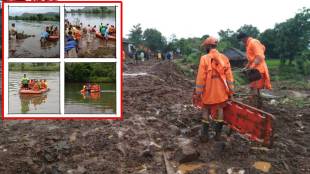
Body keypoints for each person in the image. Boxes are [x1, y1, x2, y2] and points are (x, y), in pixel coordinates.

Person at [195, 36, 234, 142]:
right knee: (220, 109)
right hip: (221, 92)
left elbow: (200, 77)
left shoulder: (204, 58)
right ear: (215, 46)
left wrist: (198, 92)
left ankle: (205, 135)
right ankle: (218, 134)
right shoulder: (224, 58)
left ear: (208, 46)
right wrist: (231, 91)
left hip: (208, 92)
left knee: (206, 109)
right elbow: (229, 77)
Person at [237, 32, 271, 107]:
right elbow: (251, 59)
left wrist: (252, 67)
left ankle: (254, 107)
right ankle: (258, 105)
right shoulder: (248, 45)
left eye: (240, 41)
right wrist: (246, 68)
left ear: (244, 38)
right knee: (255, 89)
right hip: (255, 69)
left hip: (258, 70)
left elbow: (260, 56)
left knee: (253, 89)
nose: (241, 43)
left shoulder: (253, 42)